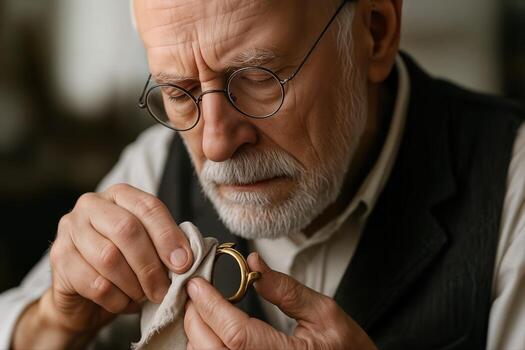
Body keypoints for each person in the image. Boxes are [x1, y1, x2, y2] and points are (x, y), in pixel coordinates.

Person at [2, 0, 524, 349]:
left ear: (374, 32)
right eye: (179, 92)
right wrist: (56, 320)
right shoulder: (154, 165)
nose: (214, 143)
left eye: (257, 78)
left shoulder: (511, 184)